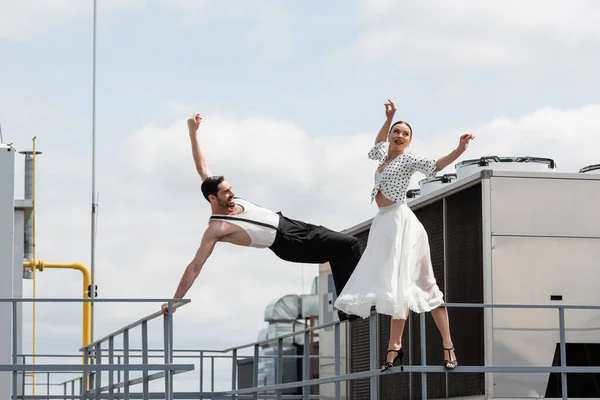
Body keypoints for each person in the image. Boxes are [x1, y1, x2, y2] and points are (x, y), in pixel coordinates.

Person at [161, 113, 362, 322]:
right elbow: (195, 266)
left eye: (231, 189)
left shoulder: (227, 196)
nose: (231, 194)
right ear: (212, 198)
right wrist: (175, 301)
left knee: (341, 252)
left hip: (291, 224)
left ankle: (347, 308)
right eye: (226, 193)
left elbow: (202, 167)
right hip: (287, 242)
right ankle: (353, 305)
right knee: (350, 245)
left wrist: (193, 132)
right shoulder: (218, 227)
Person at [334, 99, 475, 371]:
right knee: (395, 287)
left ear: (410, 141)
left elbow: (437, 164)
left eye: (405, 134)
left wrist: (460, 148)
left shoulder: (409, 159)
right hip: (384, 225)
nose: (400, 136)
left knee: (418, 286)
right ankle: (395, 347)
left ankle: (447, 345)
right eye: (396, 132)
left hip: (402, 224)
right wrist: (390, 117)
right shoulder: (382, 156)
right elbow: (376, 143)